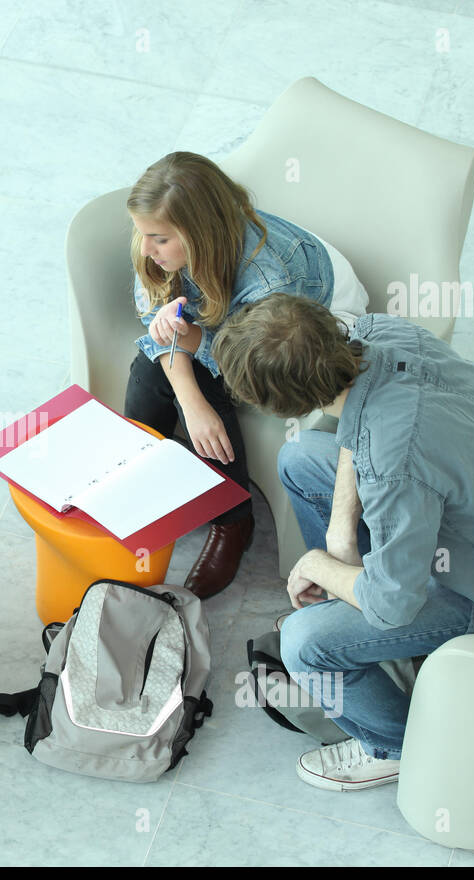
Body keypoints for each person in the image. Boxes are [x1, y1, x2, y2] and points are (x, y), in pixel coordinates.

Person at [211, 293, 474, 790]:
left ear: (281, 403)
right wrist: (339, 534)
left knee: (304, 645)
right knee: (302, 459)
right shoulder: (377, 333)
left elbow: (392, 603)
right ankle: (360, 622)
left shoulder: (393, 461)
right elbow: (361, 426)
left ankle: (393, 745)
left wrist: (319, 563)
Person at [123, 151, 369, 598]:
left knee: (200, 375)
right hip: (235, 314)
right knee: (157, 370)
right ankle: (142, 477)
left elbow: (250, 357)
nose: (145, 249)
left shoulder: (268, 282)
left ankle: (234, 520)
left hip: (297, 329)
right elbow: (156, 318)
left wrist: (192, 346)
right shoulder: (156, 243)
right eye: (142, 236)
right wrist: (193, 405)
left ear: (197, 234)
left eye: (157, 239)